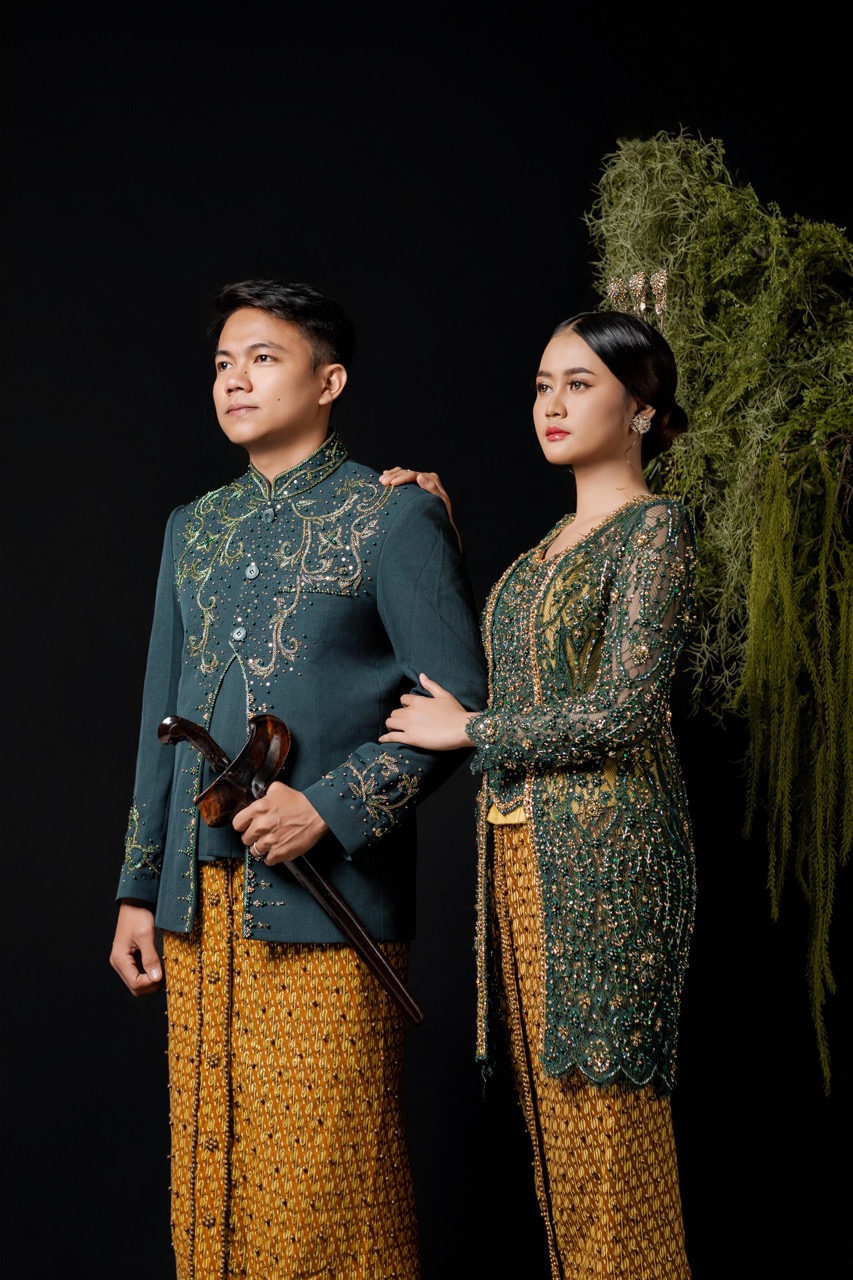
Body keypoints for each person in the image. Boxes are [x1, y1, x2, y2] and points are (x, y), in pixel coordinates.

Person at [109, 278, 488, 1280]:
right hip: (197, 908)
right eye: (223, 364)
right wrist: (138, 889)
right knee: (211, 1182)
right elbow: (159, 720)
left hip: (329, 906)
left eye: (263, 358)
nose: (235, 380)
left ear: (329, 381)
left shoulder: (393, 514)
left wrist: (329, 806)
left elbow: (460, 705)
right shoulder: (192, 525)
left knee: (330, 1195)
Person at [379, 308, 697, 1278]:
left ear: (639, 408)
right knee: (555, 1135)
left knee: (606, 1140)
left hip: (608, 862)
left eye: (579, 383)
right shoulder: (548, 547)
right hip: (521, 859)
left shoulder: (654, 531)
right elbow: (523, 672)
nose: (551, 404)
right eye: (541, 385)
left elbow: (624, 711)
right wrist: (435, 529)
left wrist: (471, 732)